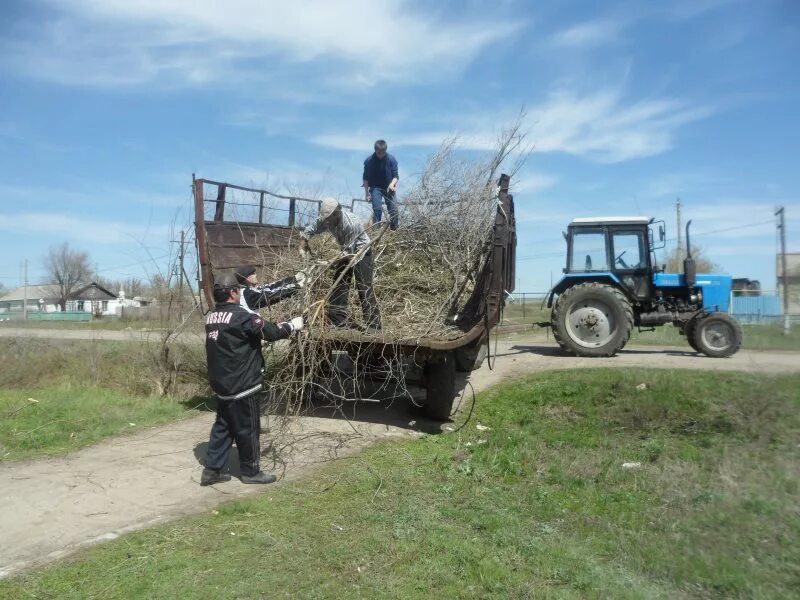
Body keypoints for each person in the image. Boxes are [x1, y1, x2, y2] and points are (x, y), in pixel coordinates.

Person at [200, 272, 304, 486]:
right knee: (248, 429)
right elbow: (272, 332)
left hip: (222, 385)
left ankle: (212, 471)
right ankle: (251, 471)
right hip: (243, 385)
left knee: (224, 426)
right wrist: (293, 325)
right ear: (232, 293)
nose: (240, 293)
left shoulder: (211, 317)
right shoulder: (243, 317)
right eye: (238, 290)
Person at [299, 197, 381, 332]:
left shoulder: (351, 223)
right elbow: (309, 230)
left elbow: (350, 254)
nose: (327, 221)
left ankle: (374, 326)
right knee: (339, 285)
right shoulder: (326, 220)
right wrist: (303, 245)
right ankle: (339, 321)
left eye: (329, 217)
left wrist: (328, 263)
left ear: (337, 212)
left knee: (364, 287)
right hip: (347, 251)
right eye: (326, 218)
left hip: (361, 252)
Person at [234, 265, 305, 315]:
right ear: (248, 278)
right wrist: (298, 286)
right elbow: (273, 295)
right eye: (253, 274)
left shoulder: (249, 290)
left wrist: (295, 278)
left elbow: (272, 286)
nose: (256, 275)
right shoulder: (249, 295)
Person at [362, 139, 399, 230]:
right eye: (379, 153)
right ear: (375, 150)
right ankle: (376, 231)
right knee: (377, 209)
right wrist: (367, 193)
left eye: (383, 153)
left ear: (385, 151)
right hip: (375, 188)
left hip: (389, 187)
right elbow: (365, 178)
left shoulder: (391, 159)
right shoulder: (369, 161)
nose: (381, 155)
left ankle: (394, 231)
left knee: (394, 209)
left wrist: (392, 184)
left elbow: (396, 176)